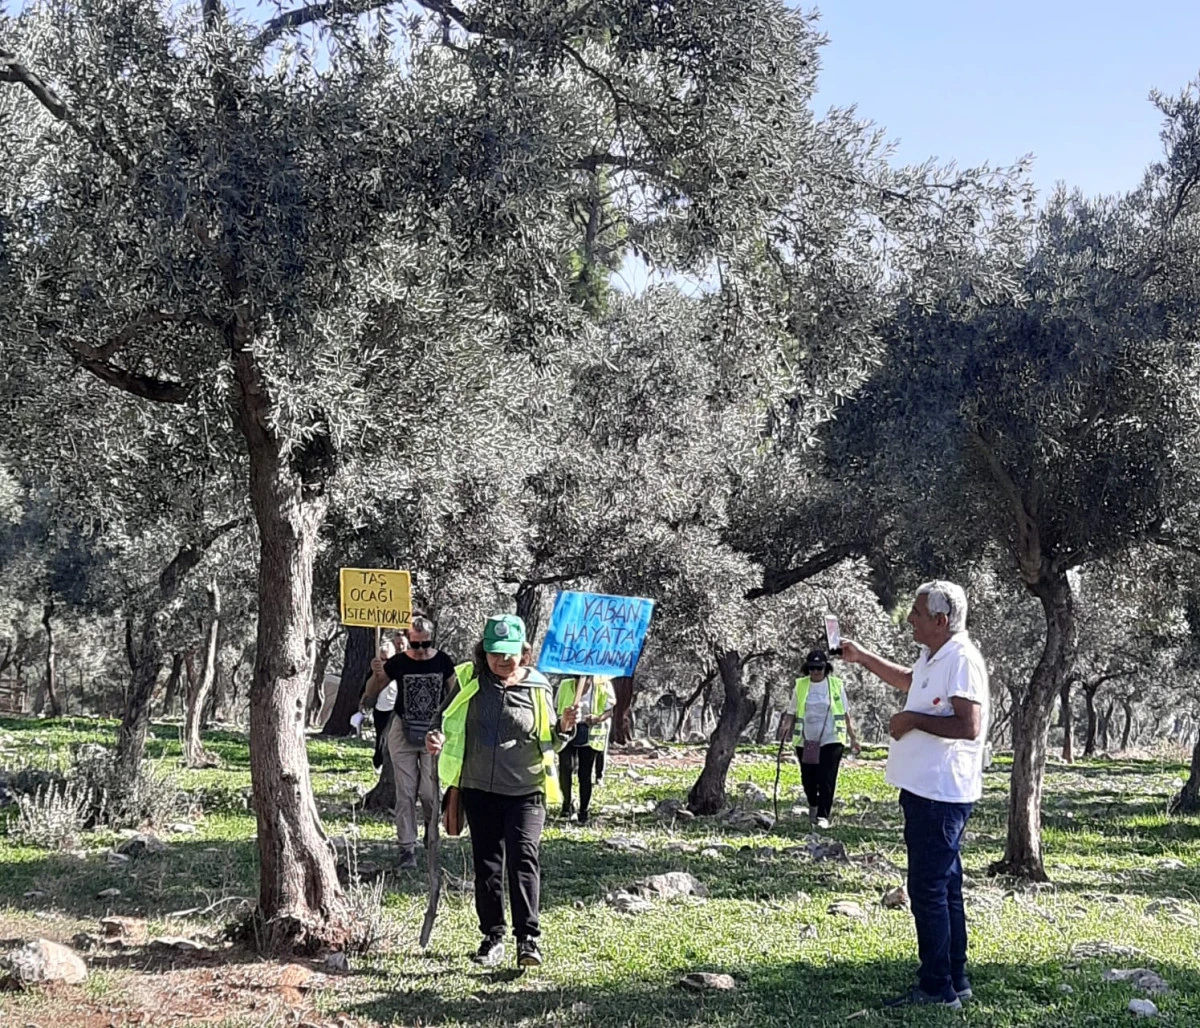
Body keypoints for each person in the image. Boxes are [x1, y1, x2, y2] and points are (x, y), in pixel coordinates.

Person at [840, 581, 989, 1010]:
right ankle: (955, 979)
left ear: (941, 621)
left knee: (927, 890)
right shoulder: (934, 656)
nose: (910, 620)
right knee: (946, 888)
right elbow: (910, 680)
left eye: (918, 613)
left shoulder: (960, 659)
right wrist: (863, 657)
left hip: (939, 795)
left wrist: (912, 721)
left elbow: (968, 725)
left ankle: (936, 988)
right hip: (925, 789)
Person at [426, 614, 576, 968]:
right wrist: (437, 737)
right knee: (487, 866)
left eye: (510, 653)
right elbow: (442, 719)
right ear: (484, 651)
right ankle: (493, 937)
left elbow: (551, 737)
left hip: (526, 790)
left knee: (524, 859)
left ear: (524, 652)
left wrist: (566, 727)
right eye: (495, 653)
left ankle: (528, 940)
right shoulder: (467, 680)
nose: (502, 660)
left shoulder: (539, 687)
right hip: (478, 789)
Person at [364, 617, 457, 869]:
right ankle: (407, 849)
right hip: (403, 729)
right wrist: (376, 674)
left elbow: (455, 693)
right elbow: (371, 693)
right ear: (408, 641)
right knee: (405, 792)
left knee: (429, 792)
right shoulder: (399, 662)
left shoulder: (443, 661)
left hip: (433, 732)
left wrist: (447, 722)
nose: (421, 650)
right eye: (415, 645)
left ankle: (431, 831)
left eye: (426, 643)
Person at [777, 650, 859, 829]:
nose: (815, 672)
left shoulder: (836, 685)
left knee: (827, 777)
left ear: (826, 668)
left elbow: (845, 713)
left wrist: (853, 738)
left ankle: (823, 815)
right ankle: (813, 805)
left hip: (832, 738)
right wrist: (785, 726)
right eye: (812, 668)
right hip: (806, 740)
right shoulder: (800, 685)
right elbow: (791, 711)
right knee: (809, 778)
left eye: (819, 668)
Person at [555, 674, 615, 824]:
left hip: (590, 734)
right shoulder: (564, 685)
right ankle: (566, 804)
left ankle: (584, 810)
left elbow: (610, 710)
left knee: (585, 774)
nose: (580, 683)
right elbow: (556, 707)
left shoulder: (603, 685)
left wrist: (597, 718)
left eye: (584, 679)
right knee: (565, 769)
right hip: (568, 730)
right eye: (576, 679)